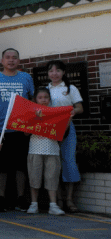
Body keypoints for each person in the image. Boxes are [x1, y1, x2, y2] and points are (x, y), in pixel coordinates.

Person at [0, 48, 34, 211]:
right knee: (1, 166)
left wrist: (30, 125)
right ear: (2, 60)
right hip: (0, 128)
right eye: (8, 57)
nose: (11, 60)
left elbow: (32, 102)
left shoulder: (26, 78)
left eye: (14, 58)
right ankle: (1, 198)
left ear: (19, 60)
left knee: (20, 166)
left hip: (21, 129)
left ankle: (20, 198)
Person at [45, 60, 82, 213]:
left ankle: (69, 200)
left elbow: (79, 107)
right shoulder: (45, 89)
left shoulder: (70, 88)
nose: (54, 74)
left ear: (64, 73)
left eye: (58, 70)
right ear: (48, 73)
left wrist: (72, 112)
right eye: (51, 71)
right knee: (53, 164)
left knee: (69, 161)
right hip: (49, 130)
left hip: (67, 128)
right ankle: (57, 200)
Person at [26, 88, 66, 216]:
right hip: (35, 149)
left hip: (52, 150)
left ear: (49, 99)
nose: (43, 100)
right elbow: (26, 132)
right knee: (34, 177)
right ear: (35, 100)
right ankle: (34, 204)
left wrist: (68, 119)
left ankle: (53, 205)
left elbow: (61, 133)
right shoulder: (31, 113)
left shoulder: (55, 113)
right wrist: (36, 118)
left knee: (52, 177)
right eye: (40, 97)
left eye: (46, 97)